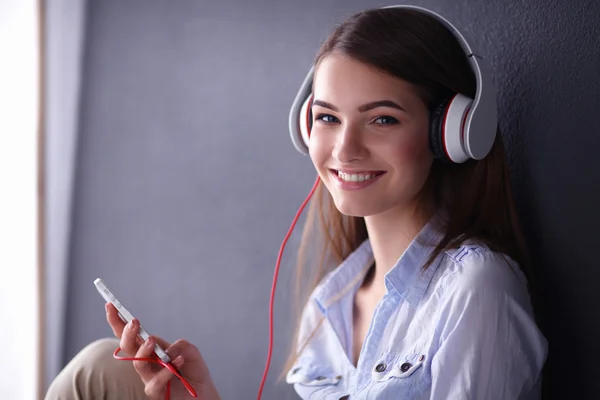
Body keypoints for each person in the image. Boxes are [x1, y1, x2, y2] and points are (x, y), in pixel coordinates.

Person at [45, 5, 548, 400]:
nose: (344, 149)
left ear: (451, 133)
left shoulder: (475, 289)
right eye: (328, 118)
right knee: (97, 367)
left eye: (382, 119)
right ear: (306, 126)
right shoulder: (329, 305)